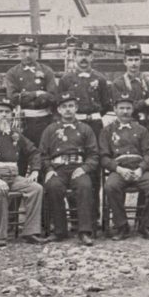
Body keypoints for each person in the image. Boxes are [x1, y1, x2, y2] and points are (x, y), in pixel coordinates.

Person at [0, 96, 44, 246]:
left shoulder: (16, 134)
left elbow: (34, 151)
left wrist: (35, 170)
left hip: (13, 177)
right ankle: (0, 236)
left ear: (12, 115)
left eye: (8, 112)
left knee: (36, 189)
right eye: (0, 111)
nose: (4, 115)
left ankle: (30, 232)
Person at [99, 93, 149, 240]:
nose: (125, 112)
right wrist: (118, 169)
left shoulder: (141, 130)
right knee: (110, 187)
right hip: (119, 170)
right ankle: (122, 227)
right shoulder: (107, 131)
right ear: (115, 110)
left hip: (139, 170)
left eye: (128, 108)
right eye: (121, 108)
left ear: (133, 110)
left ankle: (146, 226)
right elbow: (103, 157)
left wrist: (141, 169)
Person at [39, 93, 100, 245]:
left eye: (71, 106)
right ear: (59, 110)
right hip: (57, 169)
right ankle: (60, 231)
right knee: (53, 186)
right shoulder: (50, 129)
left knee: (84, 186)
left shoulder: (85, 129)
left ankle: (84, 231)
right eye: (64, 107)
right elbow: (42, 154)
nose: (68, 110)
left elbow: (94, 154)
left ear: (76, 108)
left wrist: (85, 168)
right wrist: (48, 169)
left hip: (78, 168)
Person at [4, 36, 57, 145]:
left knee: (43, 152)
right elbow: (13, 98)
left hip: (44, 121)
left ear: (36, 52)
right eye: (24, 51)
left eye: (31, 51)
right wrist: (37, 93)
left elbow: (52, 96)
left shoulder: (47, 71)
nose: (27, 55)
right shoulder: (12, 73)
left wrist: (24, 97)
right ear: (19, 52)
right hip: (22, 121)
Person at [58, 41, 113, 141]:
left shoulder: (100, 78)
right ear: (75, 57)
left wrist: (95, 115)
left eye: (87, 55)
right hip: (74, 122)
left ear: (92, 57)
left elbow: (106, 103)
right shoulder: (66, 79)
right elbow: (59, 104)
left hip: (95, 124)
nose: (84, 58)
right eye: (80, 55)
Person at [111, 44, 149, 128]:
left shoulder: (148, 83)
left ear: (141, 61)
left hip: (145, 125)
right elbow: (120, 108)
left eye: (136, 60)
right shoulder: (118, 83)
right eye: (130, 60)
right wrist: (144, 103)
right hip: (126, 125)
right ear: (125, 62)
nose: (133, 63)